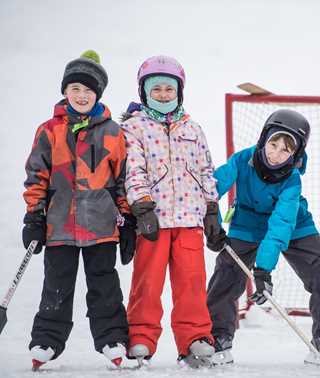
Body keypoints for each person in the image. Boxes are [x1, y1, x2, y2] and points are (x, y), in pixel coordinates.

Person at [205, 109, 320, 366]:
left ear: (296, 154)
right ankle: (218, 337)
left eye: (286, 150)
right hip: (248, 222)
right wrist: (210, 216)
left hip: (293, 224)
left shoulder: (292, 179)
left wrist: (263, 270)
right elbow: (212, 188)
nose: (276, 154)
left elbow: (281, 224)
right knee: (226, 274)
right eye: (273, 144)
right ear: (264, 139)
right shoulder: (242, 159)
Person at [23, 50, 134, 370]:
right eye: (75, 89)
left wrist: (126, 219)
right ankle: (46, 340)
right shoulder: (48, 131)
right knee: (56, 284)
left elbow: (122, 178)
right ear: (64, 92)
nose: (81, 95)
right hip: (58, 224)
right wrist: (34, 214)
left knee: (104, 284)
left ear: (97, 93)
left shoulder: (113, 132)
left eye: (88, 90)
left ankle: (112, 337)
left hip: (100, 225)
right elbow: (36, 176)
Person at [120, 55, 218, 366]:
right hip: (154, 220)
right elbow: (132, 170)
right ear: (144, 91)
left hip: (190, 218)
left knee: (191, 282)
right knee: (147, 283)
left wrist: (212, 208)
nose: (163, 94)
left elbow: (206, 170)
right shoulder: (133, 128)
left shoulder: (193, 127)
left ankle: (194, 338)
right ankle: (141, 337)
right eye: (156, 89)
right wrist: (142, 206)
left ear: (179, 92)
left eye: (169, 89)